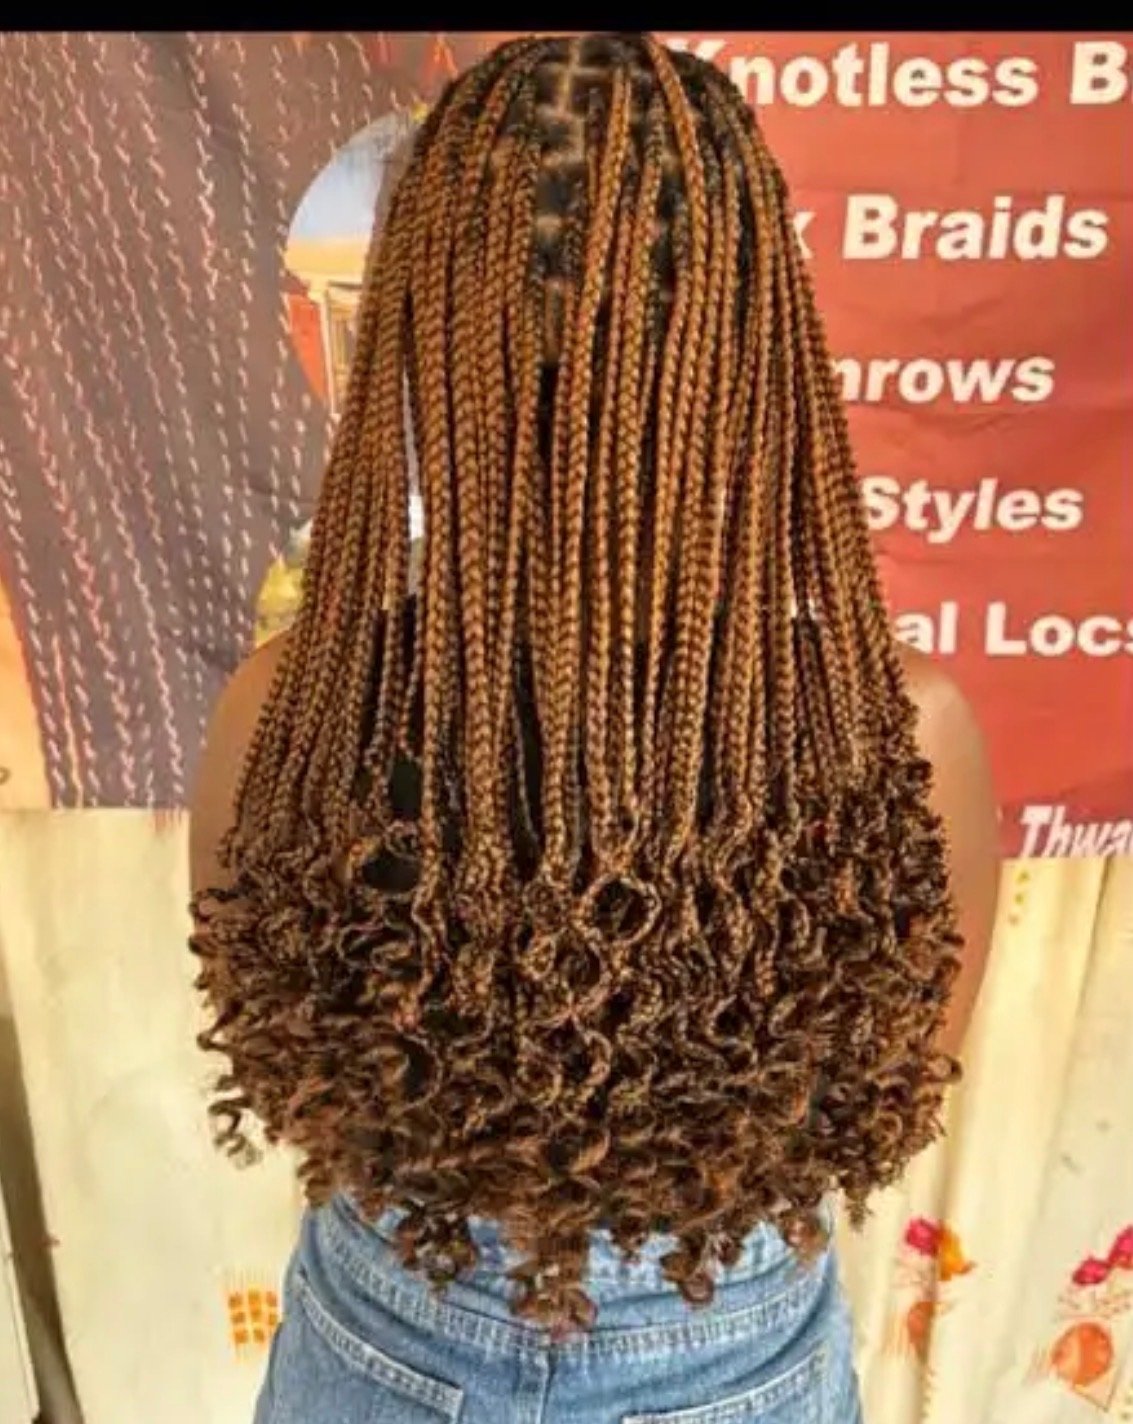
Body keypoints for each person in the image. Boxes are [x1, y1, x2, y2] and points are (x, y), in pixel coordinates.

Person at [190, 32, 999, 1424]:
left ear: (422, 325)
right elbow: (903, 1084)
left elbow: (275, 1051)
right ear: (747, 336)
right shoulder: (906, 739)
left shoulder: (291, 716)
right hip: (730, 1358)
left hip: (381, 1341)